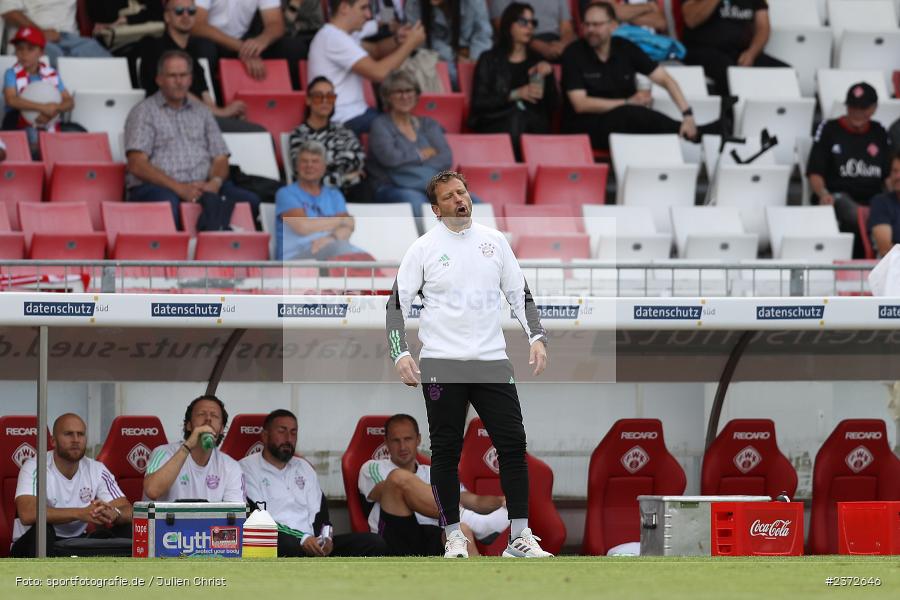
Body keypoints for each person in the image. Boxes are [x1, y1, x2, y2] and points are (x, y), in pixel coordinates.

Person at [386, 170, 553, 559]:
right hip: (442, 362)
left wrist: (537, 337)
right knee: (446, 451)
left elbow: (520, 293)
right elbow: (396, 305)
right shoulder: (423, 248)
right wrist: (401, 352)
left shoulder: (495, 242)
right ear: (436, 209)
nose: (459, 199)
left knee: (513, 446)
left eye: (462, 192)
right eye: (449, 196)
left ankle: (520, 538)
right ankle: (454, 537)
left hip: (492, 361)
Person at [124, 49, 261, 229]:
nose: (179, 82)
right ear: (159, 79)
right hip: (159, 187)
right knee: (167, 203)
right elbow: (137, 164)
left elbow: (220, 157)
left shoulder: (202, 112)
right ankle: (178, 253)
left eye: (183, 75)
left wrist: (214, 183)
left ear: (190, 79)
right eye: (172, 76)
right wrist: (180, 188)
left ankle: (223, 249)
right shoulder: (143, 112)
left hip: (204, 186)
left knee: (250, 201)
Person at [561, 2, 714, 150]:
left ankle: (693, 131)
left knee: (637, 116)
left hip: (626, 122)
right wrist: (627, 102)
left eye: (597, 24)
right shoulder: (573, 53)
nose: (590, 30)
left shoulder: (625, 47)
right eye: (586, 24)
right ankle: (698, 133)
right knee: (632, 114)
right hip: (586, 127)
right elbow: (580, 104)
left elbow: (665, 79)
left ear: (613, 26)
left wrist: (687, 115)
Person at [358, 414, 511, 556]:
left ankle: (483, 582)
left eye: (408, 439)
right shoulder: (373, 467)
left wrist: (500, 502)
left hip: (429, 536)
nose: (403, 446)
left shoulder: (433, 472)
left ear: (418, 439)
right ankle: (478, 525)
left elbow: (472, 500)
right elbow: (385, 490)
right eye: (396, 440)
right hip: (394, 536)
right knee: (398, 478)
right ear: (386, 442)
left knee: (461, 531)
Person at [242, 409, 388, 557]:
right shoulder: (246, 469)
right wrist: (303, 539)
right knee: (287, 545)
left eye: (294, 433)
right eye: (282, 431)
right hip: (278, 542)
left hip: (312, 543)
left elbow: (321, 514)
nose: (288, 438)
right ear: (265, 436)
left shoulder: (304, 467)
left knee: (374, 542)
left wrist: (326, 539)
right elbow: (258, 518)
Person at [11, 414, 132, 558]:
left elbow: (129, 511)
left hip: (76, 541)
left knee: (126, 528)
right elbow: (28, 513)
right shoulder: (35, 466)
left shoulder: (96, 469)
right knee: (43, 531)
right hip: (30, 545)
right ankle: (41, 580)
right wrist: (81, 513)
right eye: (68, 434)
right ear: (53, 441)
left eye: (80, 434)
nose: (76, 440)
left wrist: (114, 513)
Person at [137, 0, 266, 133]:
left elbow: (207, 100)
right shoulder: (154, 46)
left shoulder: (193, 58)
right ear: (167, 17)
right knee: (258, 133)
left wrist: (229, 114)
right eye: (179, 11)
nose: (186, 15)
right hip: (168, 122)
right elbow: (175, 92)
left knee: (255, 131)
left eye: (191, 11)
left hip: (198, 121)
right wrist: (221, 112)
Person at [308, 0, 426, 135]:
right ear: (344, 7)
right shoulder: (333, 37)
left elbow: (375, 50)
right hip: (344, 119)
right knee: (417, 132)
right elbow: (379, 73)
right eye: (363, 8)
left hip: (357, 114)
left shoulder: (342, 36)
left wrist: (398, 40)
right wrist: (410, 44)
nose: (369, 15)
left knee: (424, 128)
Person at [807, 82, 892, 257]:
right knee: (853, 210)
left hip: (874, 199)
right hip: (838, 197)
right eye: (853, 106)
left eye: (863, 107)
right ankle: (877, 251)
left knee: (882, 207)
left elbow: (889, 177)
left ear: (873, 108)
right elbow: (815, 172)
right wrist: (823, 193)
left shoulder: (879, 132)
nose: (857, 112)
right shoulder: (829, 129)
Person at [468, 2, 558, 158]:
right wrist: (516, 94)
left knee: (523, 118)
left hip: (531, 125)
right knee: (517, 117)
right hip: (495, 122)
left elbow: (553, 106)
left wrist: (548, 76)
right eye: (523, 22)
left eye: (533, 23)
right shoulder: (489, 59)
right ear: (509, 25)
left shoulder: (538, 61)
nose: (529, 27)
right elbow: (479, 103)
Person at [367, 70, 452, 222]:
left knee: (471, 199)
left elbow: (445, 158)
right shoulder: (380, 125)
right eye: (398, 92)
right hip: (392, 186)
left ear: (416, 94)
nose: (405, 96)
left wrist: (406, 162)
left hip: (428, 185)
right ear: (387, 96)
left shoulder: (428, 124)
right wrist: (421, 155)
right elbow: (390, 159)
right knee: (417, 201)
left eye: (409, 90)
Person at [275, 140, 369, 260]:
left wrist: (332, 238)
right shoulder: (286, 193)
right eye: (304, 161)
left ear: (324, 166)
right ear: (297, 166)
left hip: (330, 247)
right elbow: (303, 227)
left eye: (315, 161)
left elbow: (349, 226)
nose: (309, 165)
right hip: (295, 258)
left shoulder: (334, 195)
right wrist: (341, 220)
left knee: (366, 258)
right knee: (345, 253)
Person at [143, 394, 245, 502]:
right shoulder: (162, 453)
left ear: (221, 429)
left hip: (211, 520)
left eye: (214, 416)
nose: (208, 419)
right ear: (188, 425)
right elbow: (152, 491)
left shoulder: (231, 466)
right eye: (201, 414)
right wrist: (188, 446)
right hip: (163, 519)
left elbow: (236, 513)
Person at [681, 0, 787, 97]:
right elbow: (691, 20)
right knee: (730, 72)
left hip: (741, 52)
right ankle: (730, 115)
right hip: (702, 49)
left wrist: (751, 53)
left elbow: (763, 28)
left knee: (784, 73)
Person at [192, 0, 308, 88]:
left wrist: (262, 40)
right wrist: (242, 48)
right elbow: (197, 25)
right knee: (203, 49)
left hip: (243, 39)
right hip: (213, 39)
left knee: (294, 48)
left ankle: (295, 108)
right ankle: (212, 107)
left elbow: (275, 23)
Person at [287, 76, 368, 201]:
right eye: (319, 96)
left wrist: (326, 165)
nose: (325, 101)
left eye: (330, 97)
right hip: (317, 195)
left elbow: (359, 160)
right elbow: (308, 175)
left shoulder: (343, 130)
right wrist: (345, 177)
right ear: (308, 100)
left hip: (352, 190)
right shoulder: (299, 135)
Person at [2, 26, 74, 152]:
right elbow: (11, 100)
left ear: (41, 52)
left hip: (50, 120)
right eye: (20, 49)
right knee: (32, 135)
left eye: (30, 49)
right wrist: (43, 108)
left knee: (75, 133)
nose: (24, 54)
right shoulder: (11, 73)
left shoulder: (51, 73)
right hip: (18, 121)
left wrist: (53, 110)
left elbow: (69, 101)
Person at [404, 0, 493, 88]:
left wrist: (475, 59)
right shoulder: (414, 3)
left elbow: (483, 34)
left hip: (472, 56)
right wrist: (454, 56)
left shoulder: (473, 2)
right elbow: (421, 40)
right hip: (437, 59)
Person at [0, 0, 111, 65]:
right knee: (56, 59)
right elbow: (9, 11)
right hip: (32, 36)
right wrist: (41, 33)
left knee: (105, 61)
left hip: (70, 38)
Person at [490, 0, 576, 62]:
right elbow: (502, 26)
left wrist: (563, 47)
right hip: (523, 41)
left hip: (555, 41)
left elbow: (566, 28)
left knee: (579, 54)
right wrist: (541, 47)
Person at [868, 152, 900, 258]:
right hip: (893, 267)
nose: (897, 176)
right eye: (894, 171)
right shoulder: (881, 202)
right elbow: (885, 249)